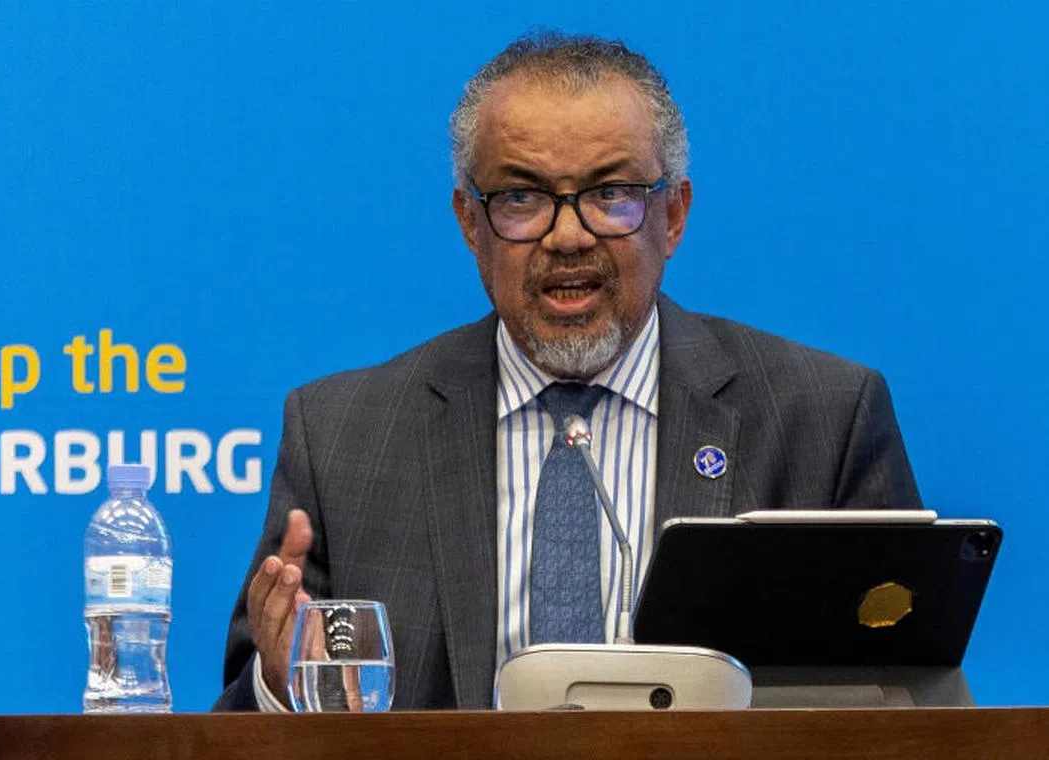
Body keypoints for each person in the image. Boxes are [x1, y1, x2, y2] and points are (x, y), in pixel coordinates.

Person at [213, 31, 921, 711]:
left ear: (673, 215)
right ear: (470, 223)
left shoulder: (822, 419)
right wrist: (279, 684)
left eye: (611, 194)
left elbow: (902, 701)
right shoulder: (344, 437)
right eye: (522, 198)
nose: (569, 235)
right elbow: (243, 718)